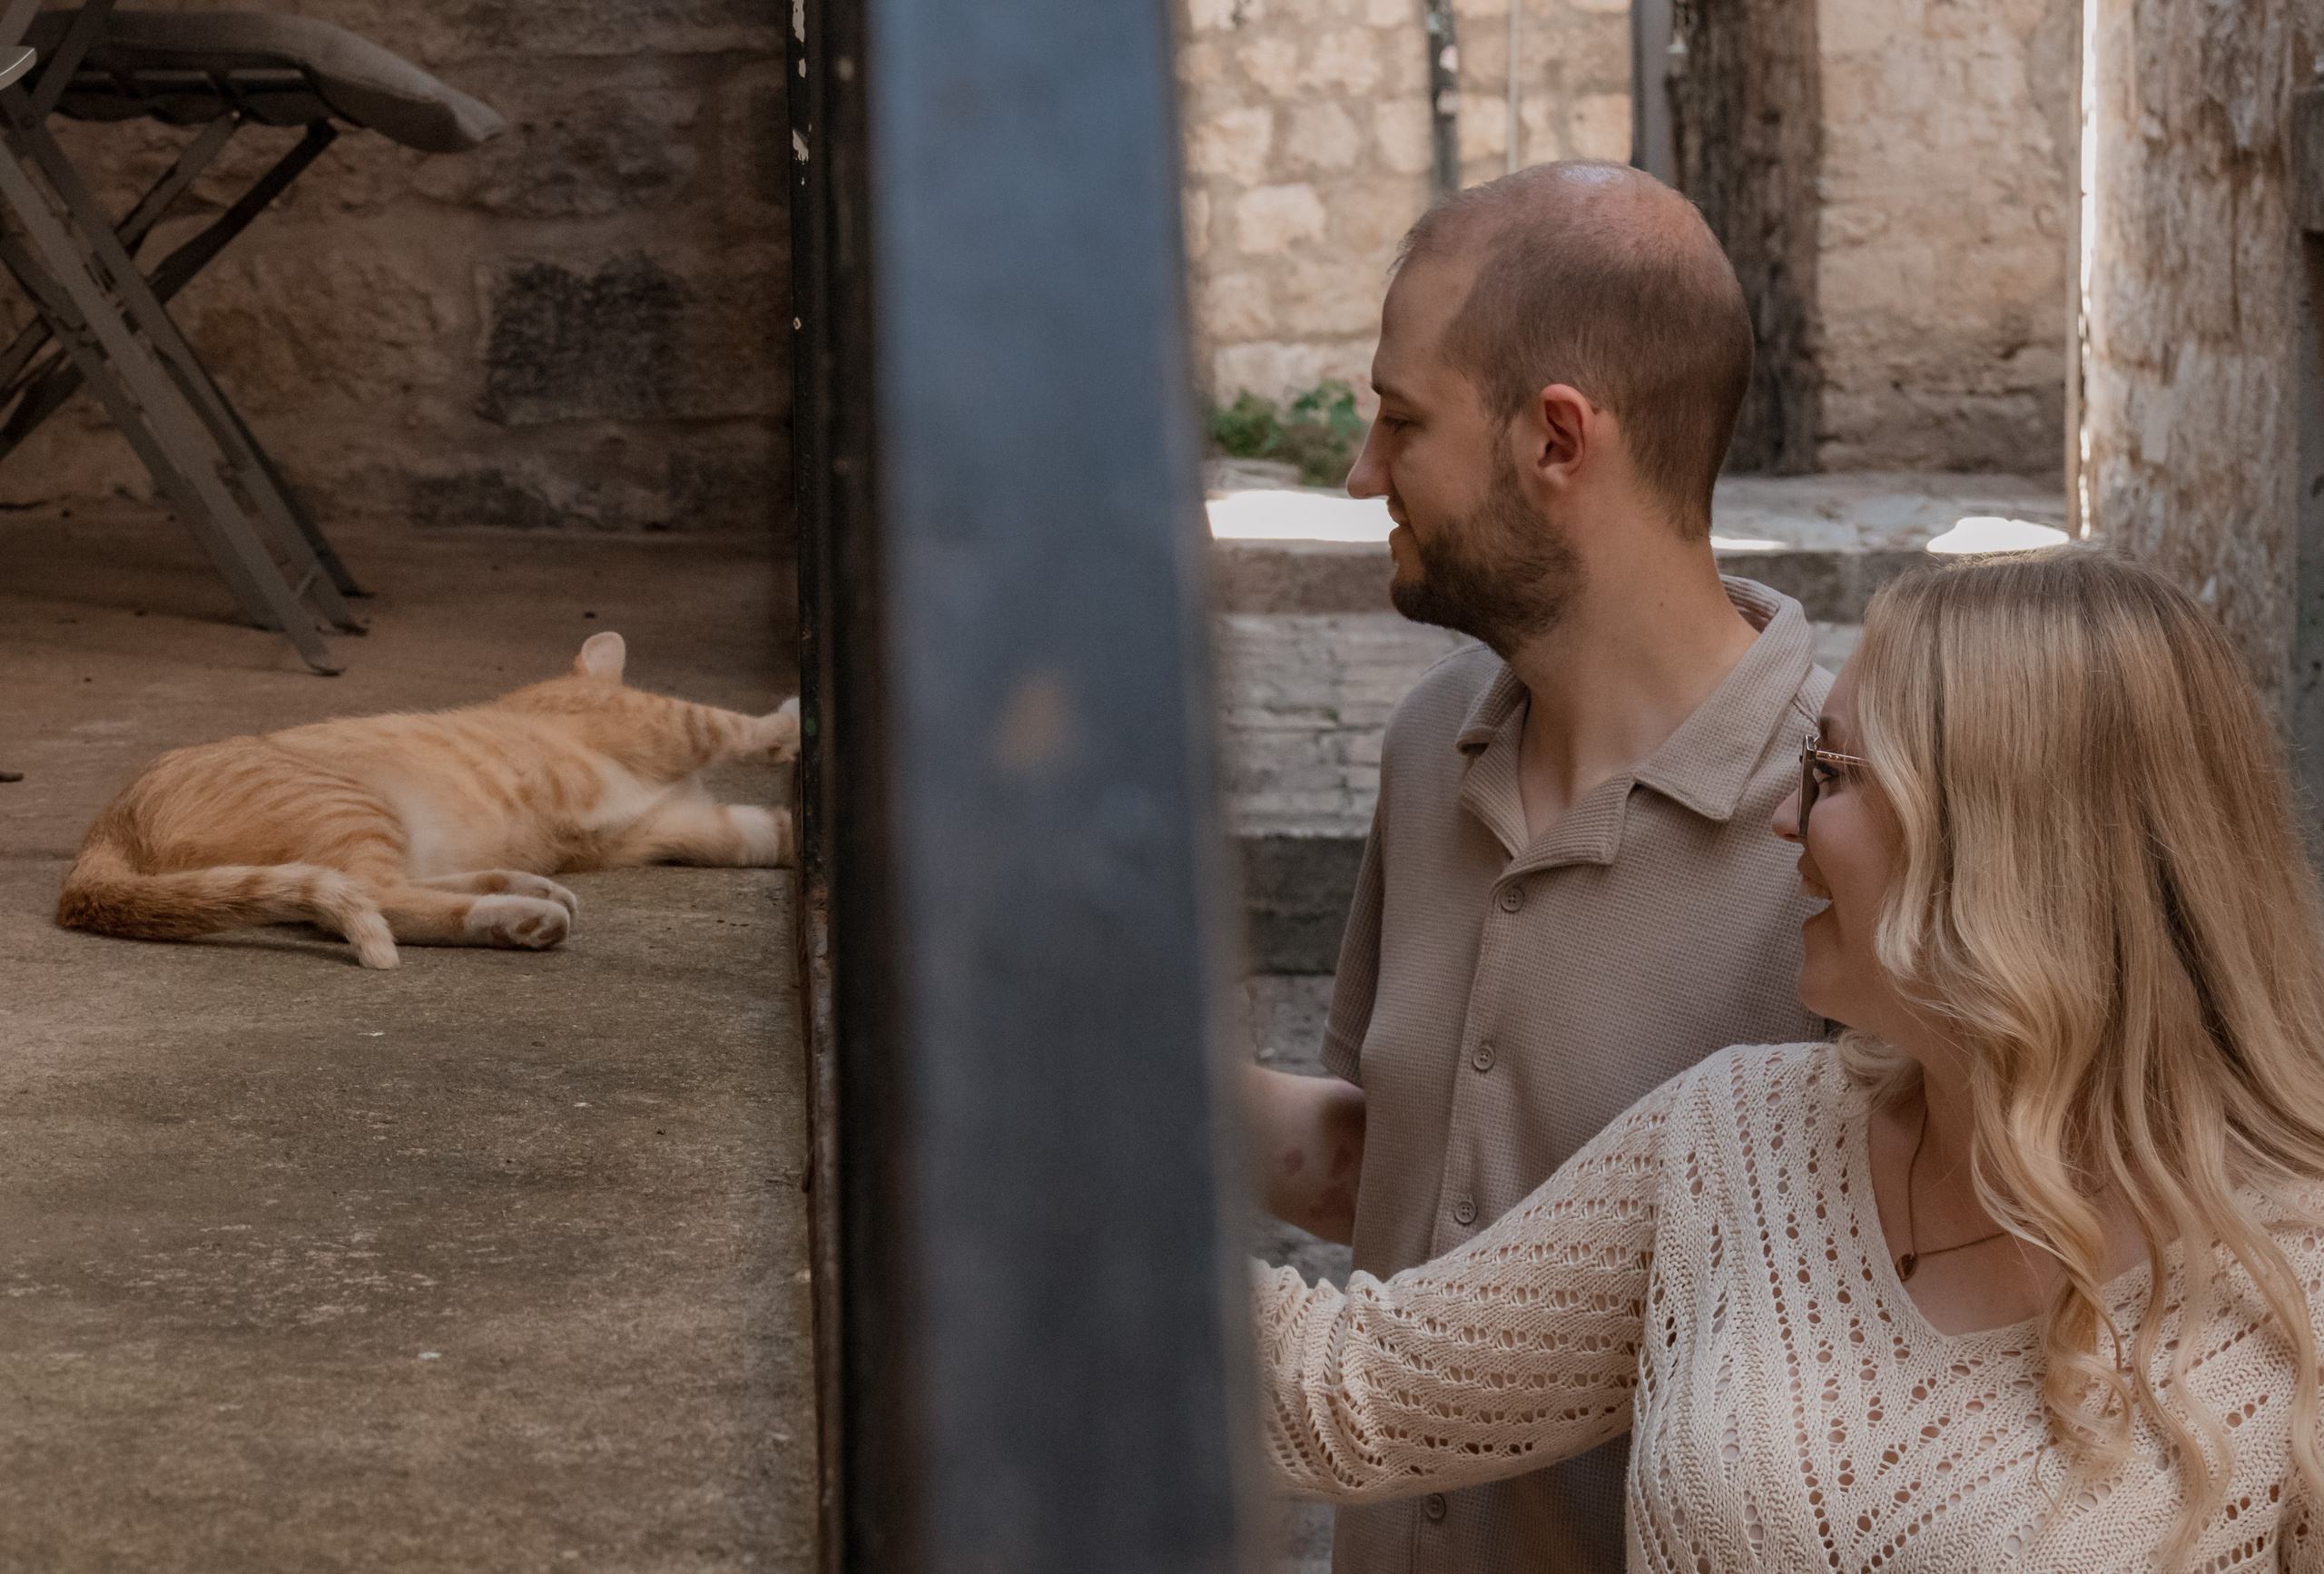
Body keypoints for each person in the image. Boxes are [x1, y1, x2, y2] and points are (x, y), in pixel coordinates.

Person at [1255, 547, 2324, 1573]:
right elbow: (1347, 1396)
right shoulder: (1732, 1144)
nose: (1783, 819)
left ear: (2002, 844)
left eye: (1832, 773)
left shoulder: (2296, 1298)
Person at [1240, 162, 1827, 1569]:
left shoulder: (1852, 831)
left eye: (1400, 420)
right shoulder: (1430, 738)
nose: (1362, 473)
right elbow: (1395, 1171)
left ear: (1558, 438)